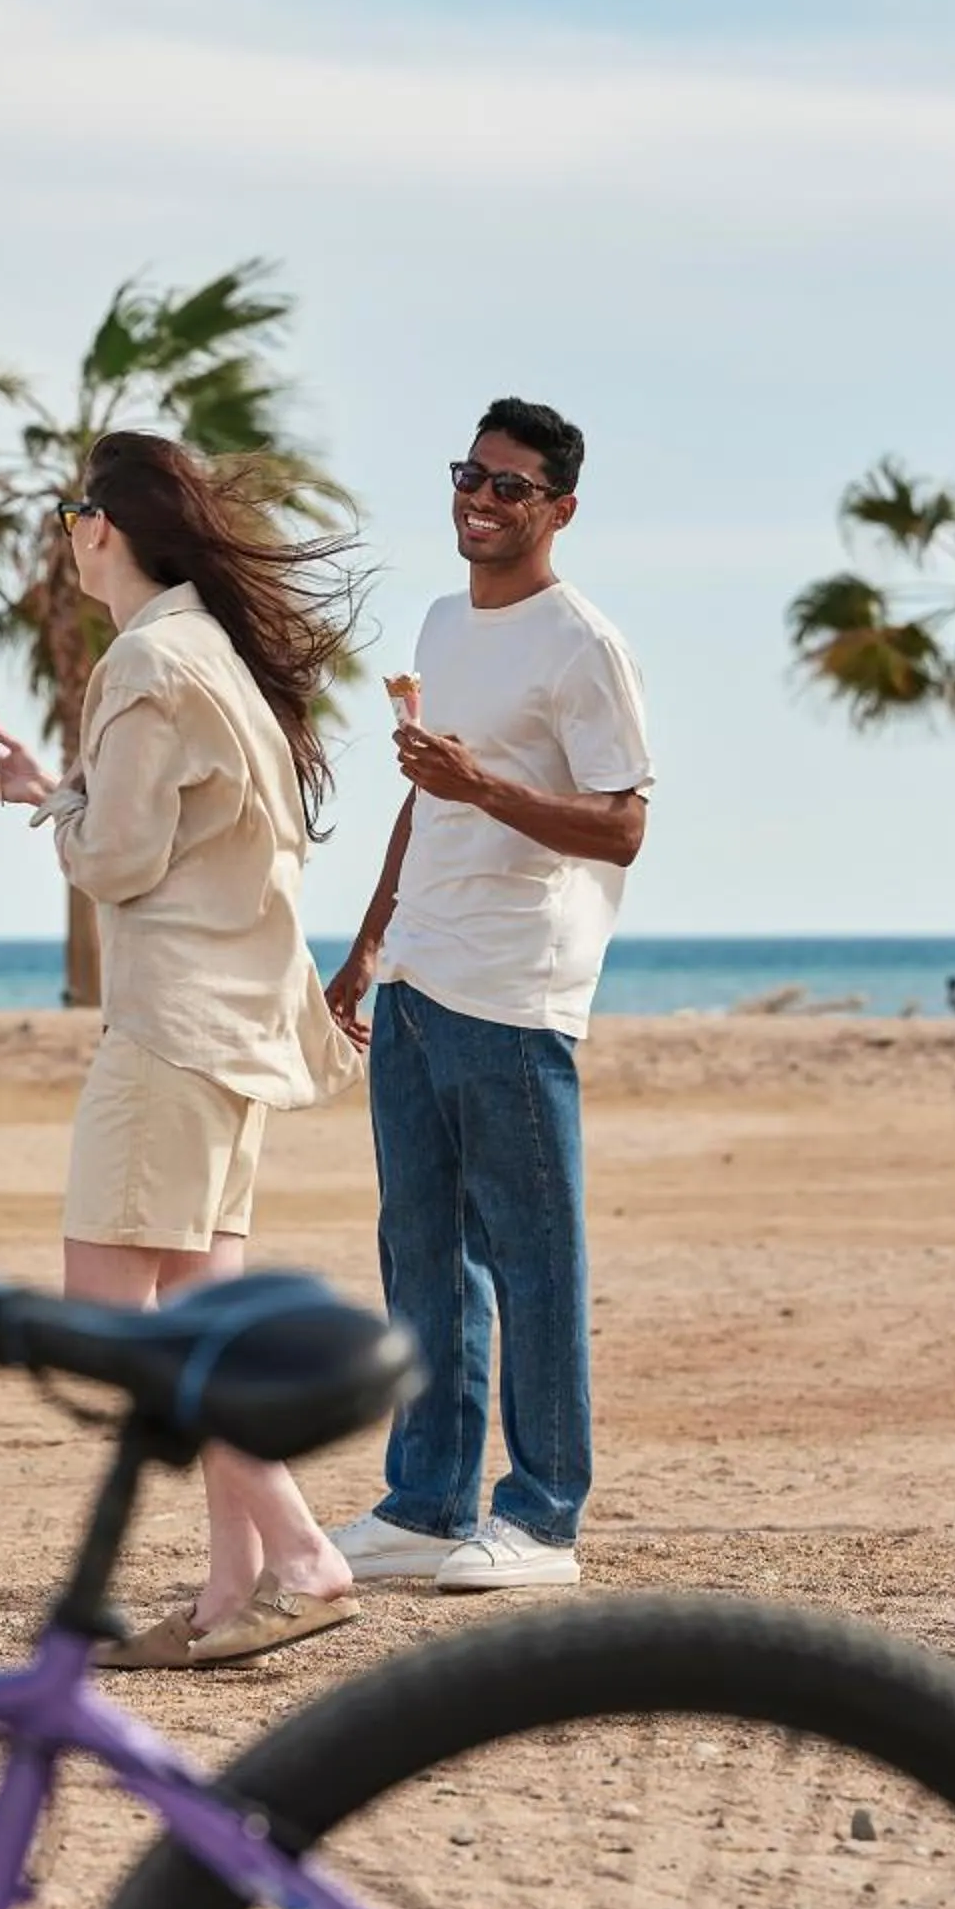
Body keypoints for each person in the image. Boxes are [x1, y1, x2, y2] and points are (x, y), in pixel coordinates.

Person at [0, 432, 367, 1669]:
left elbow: (118, 858)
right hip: (234, 1028)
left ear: (101, 526)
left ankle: (301, 1555)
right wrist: (56, 790)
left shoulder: (146, 659)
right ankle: (228, 1589)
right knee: (203, 1310)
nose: (68, 536)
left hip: (171, 1029)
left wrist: (52, 804)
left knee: (112, 1312)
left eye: (70, 515)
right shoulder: (214, 655)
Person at [326, 397, 652, 1595]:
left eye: (510, 486)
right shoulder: (440, 621)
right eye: (470, 474)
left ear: (560, 509)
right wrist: (368, 944)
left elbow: (622, 825)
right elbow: (425, 796)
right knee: (422, 1253)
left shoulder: (583, 645)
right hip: (419, 971)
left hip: (516, 986)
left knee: (532, 1259)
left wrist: (486, 787)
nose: (481, 498)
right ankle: (424, 1506)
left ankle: (544, 1519)